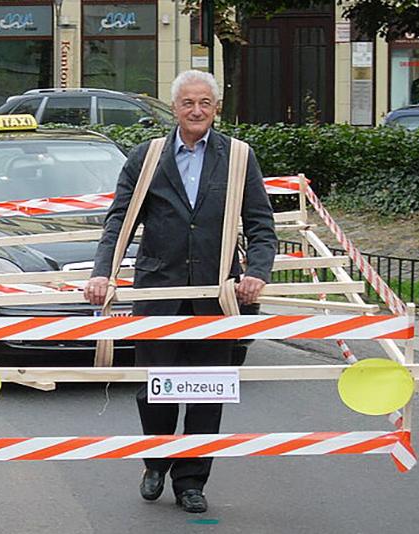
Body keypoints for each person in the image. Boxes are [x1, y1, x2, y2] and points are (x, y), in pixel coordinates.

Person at [84, 70, 277, 513]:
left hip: (217, 295)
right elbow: (119, 222)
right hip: (159, 292)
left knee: (208, 393)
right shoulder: (146, 157)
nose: (196, 111)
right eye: (188, 103)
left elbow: (262, 226)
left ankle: (191, 482)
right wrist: (102, 274)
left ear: (216, 108)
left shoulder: (240, 157)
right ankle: (156, 460)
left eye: (204, 103)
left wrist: (257, 273)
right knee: (156, 390)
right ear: (174, 108)